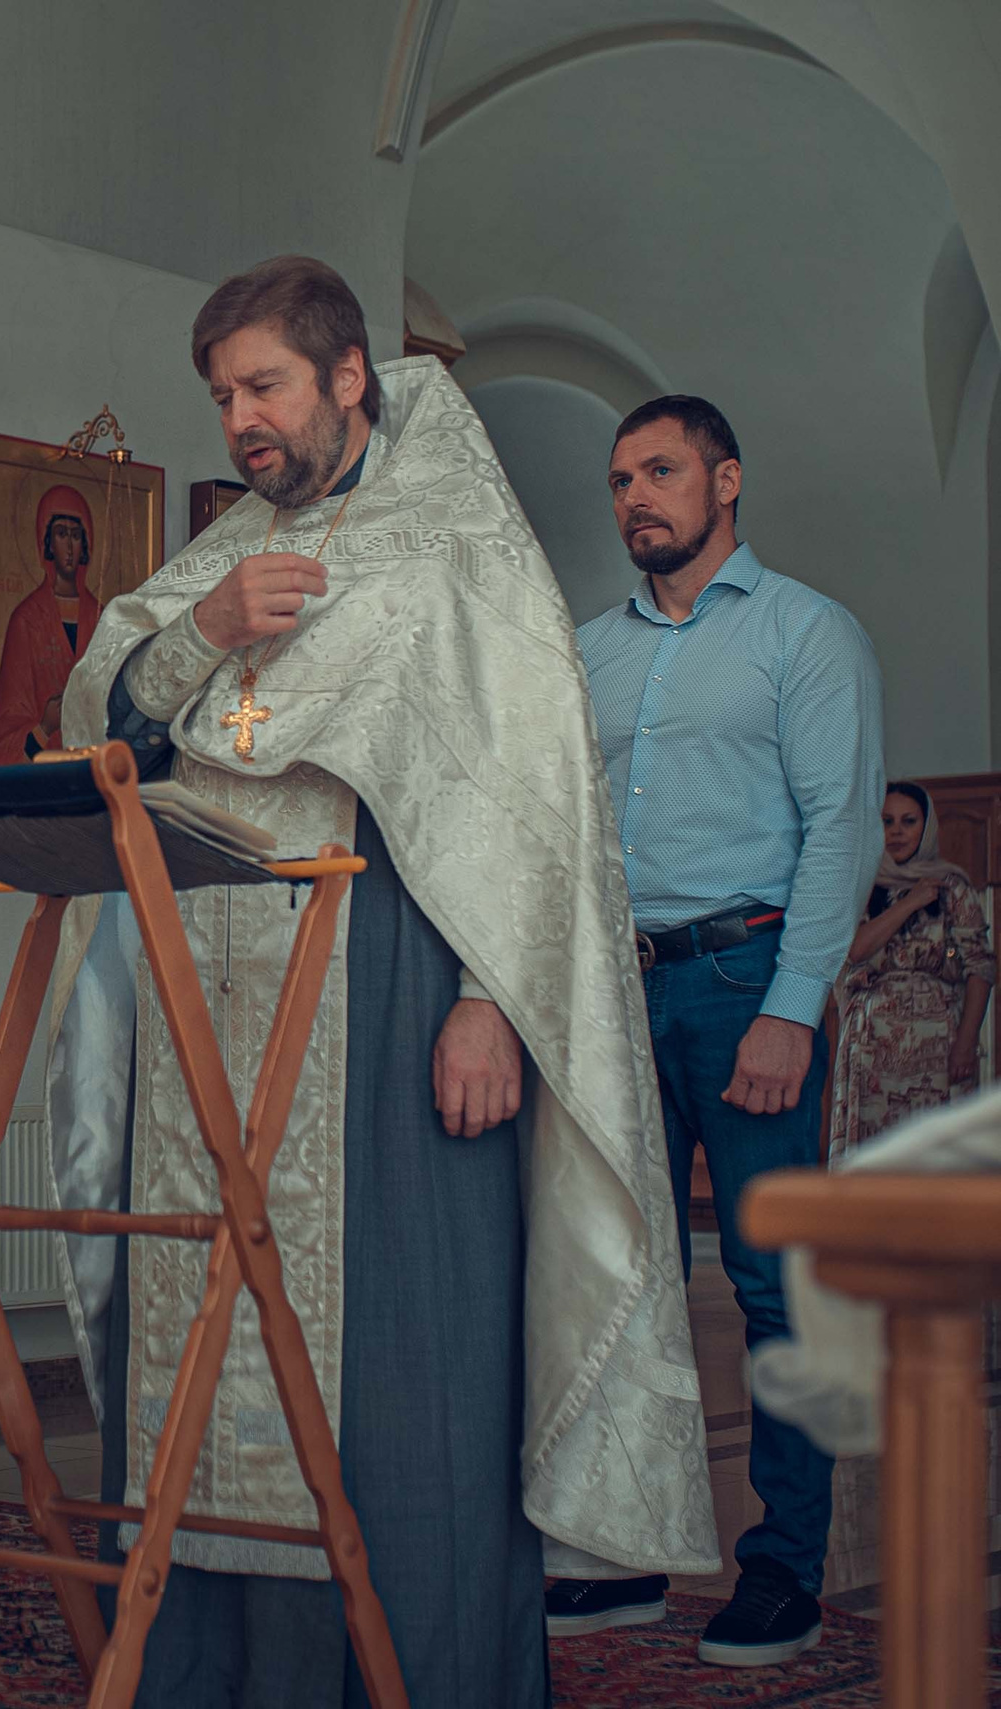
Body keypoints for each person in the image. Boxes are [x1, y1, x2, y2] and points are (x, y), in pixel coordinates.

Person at [45, 256, 715, 1707]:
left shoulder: (459, 545)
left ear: (351, 376)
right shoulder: (220, 551)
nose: (241, 421)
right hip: (207, 997)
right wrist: (208, 629)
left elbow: (527, 795)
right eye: (223, 394)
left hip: (394, 989)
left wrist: (492, 996)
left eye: (265, 385)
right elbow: (93, 714)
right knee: (209, 1328)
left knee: (408, 1360)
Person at [572, 394, 882, 1667]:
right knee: (614, 1276)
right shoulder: (590, 647)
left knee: (770, 1284)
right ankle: (621, 1548)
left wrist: (789, 1008)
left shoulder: (808, 634)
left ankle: (786, 1571)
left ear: (726, 479)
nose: (635, 496)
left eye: (659, 470)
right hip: (611, 985)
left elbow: (842, 830)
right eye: (618, 480)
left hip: (741, 976)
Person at [829, 782, 994, 1159]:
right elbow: (855, 950)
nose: (897, 831)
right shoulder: (857, 887)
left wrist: (967, 1044)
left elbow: (980, 968)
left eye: (908, 821)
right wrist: (913, 900)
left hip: (936, 1045)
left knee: (934, 1157)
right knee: (871, 1157)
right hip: (869, 1046)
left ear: (926, 826)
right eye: (887, 821)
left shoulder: (952, 887)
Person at [0, 486, 100, 765]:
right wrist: (44, 727)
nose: (70, 547)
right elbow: (4, 739)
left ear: (86, 543)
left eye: (76, 536)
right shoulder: (27, 620)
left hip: (93, 777)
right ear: (46, 542)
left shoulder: (102, 618)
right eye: (61, 535)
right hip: (43, 779)